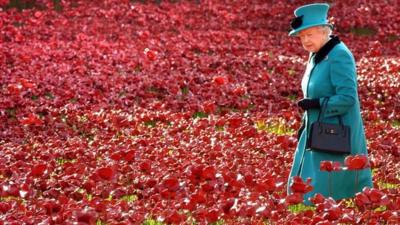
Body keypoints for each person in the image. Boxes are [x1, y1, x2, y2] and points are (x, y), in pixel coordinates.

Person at [287, 3, 373, 203]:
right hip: (317, 126)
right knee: (311, 182)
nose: (305, 40)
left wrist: (318, 103)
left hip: (336, 131)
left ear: (324, 31)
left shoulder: (339, 55)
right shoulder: (316, 54)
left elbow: (348, 98)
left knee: (333, 184)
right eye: (301, 37)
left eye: (310, 34)